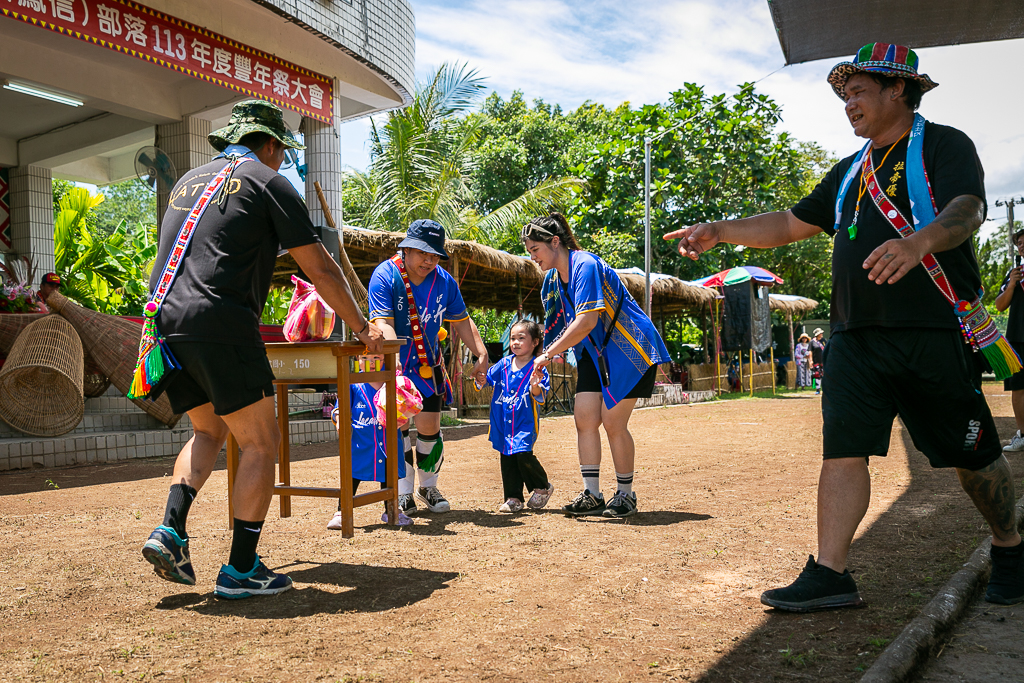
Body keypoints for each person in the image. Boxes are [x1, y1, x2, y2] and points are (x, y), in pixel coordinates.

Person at [666, 43, 1024, 610]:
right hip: (854, 336)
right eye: (845, 95)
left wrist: (917, 242)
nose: (848, 104)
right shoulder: (849, 170)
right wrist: (721, 230)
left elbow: (968, 209)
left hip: (929, 330)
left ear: (897, 90)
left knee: (971, 453)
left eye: (858, 91)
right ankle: (831, 572)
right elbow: (789, 223)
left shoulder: (944, 145)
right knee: (842, 449)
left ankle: (1009, 547)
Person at [141, 100, 383, 600]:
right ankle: (241, 569)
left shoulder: (190, 180)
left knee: (208, 430)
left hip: (165, 321)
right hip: (220, 321)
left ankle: (170, 528)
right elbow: (320, 268)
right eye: (281, 152)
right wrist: (360, 326)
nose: (281, 161)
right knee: (260, 441)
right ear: (270, 145)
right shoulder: (270, 182)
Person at [523, 212, 670, 519]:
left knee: (613, 422)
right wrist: (548, 353)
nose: (533, 257)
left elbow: (587, 320)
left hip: (630, 348)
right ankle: (592, 493)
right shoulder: (554, 279)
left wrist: (547, 354)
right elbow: (561, 322)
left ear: (554, 242)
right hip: (595, 351)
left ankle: (626, 495)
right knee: (585, 418)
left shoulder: (585, 265)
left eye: (535, 250)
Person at [367, 219, 489, 515]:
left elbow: (461, 320)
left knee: (430, 428)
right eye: (423, 253)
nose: (428, 260)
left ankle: (428, 487)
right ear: (406, 248)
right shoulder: (385, 275)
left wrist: (481, 354)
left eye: (434, 255)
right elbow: (382, 322)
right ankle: (404, 491)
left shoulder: (444, 280)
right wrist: (393, 364)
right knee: (397, 428)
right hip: (392, 365)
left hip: (427, 365)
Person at [326, 355, 412, 529]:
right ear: (358, 358)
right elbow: (338, 408)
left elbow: (407, 411)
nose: (371, 362)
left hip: (388, 442)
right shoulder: (353, 383)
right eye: (365, 358)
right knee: (352, 474)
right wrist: (339, 419)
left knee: (389, 476)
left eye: (377, 358)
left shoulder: (394, 382)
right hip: (360, 444)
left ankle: (392, 510)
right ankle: (343, 511)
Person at [485, 320, 554, 513]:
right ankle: (513, 497)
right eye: (513, 338)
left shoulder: (538, 368)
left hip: (524, 423)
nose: (515, 342)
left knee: (523, 454)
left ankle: (542, 487)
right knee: (507, 457)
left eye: (521, 338)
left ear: (534, 342)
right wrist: (481, 377)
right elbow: (488, 378)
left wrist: (534, 384)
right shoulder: (504, 364)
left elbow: (540, 394)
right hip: (502, 421)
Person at [995, 229, 1024, 452]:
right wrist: (1012, 284)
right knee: (1019, 388)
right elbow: (999, 305)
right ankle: (1023, 435)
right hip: (1018, 337)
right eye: (1019, 243)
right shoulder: (1015, 273)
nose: (1021, 245)